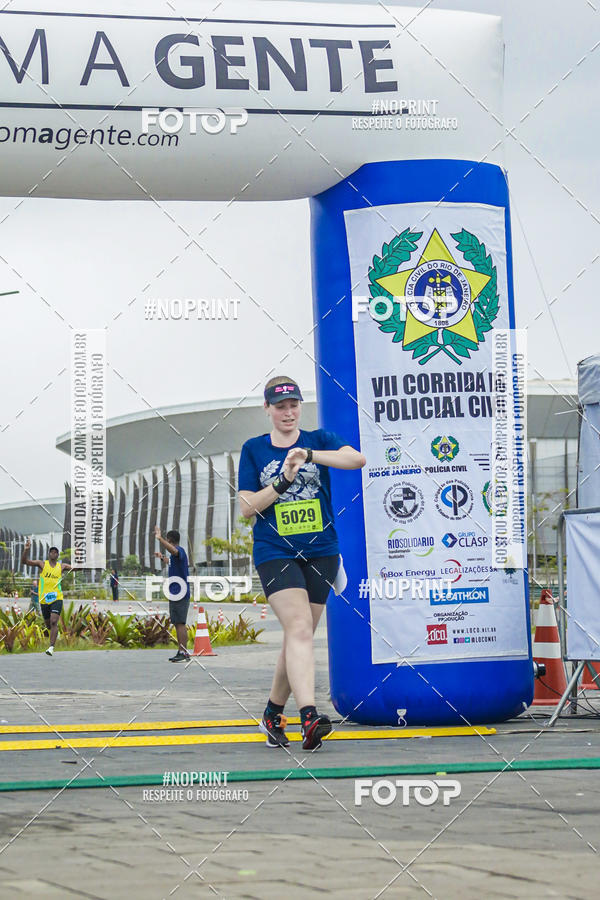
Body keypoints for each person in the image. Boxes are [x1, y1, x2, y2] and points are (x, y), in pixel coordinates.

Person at [238, 376, 366, 751]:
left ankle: (273, 712)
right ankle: (309, 715)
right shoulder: (254, 450)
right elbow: (247, 508)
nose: (288, 412)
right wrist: (282, 479)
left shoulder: (318, 439)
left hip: (322, 549)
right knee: (298, 627)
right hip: (275, 549)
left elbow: (356, 459)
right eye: (280, 407)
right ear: (267, 410)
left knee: (300, 636)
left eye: (293, 405)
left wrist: (307, 456)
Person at [20, 541, 73, 655]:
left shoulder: (61, 566)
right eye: (51, 552)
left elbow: (76, 569)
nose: (53, 554)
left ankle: (51, 647)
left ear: (57, 555)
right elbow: (24, 562)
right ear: (49, 554)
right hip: (44, 599)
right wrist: (26, 549)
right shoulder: (42, 564)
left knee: (54, 621)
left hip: (57, 597)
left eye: (55, 552)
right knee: (49, 624)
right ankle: (55, 632)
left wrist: (80, 559)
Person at [154, 526, 190, 662]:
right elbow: (171, 561)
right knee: (177, 622)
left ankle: (183, 652)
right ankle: (182, 651)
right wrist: (162, 557)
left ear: (169, 540)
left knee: (180, 623)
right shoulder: (175, 557)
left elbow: (174, 551)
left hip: (180, 592)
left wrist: (159, 538)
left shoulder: (179, 551)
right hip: (176, 593)